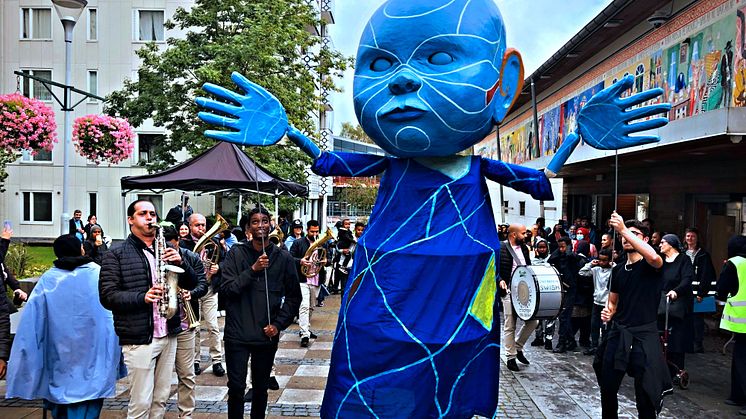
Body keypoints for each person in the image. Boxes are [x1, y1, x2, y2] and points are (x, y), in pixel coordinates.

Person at [99, 199, 198, 419]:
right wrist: (142, 297)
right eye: (143, 214)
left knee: (160, 398)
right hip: (138, 337)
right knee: (141, 401)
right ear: (130, 220)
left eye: (152, 214)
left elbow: (191, 283)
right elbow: (108, 296)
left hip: (168, 332)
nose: (150, 218)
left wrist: (182, 262)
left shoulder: (167, 249)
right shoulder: (115, 254)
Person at [6, 234, 124, 418]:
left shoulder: (49, 280)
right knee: (90, 397)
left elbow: (32, 321)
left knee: (62, 401)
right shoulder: (97, 274)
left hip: (59, 354)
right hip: (94, 353)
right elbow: (111, 313)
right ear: (81, 249)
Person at [221, 207, 301, 419]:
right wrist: (253, 270)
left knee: (260, 388)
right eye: (255, 222)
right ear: (248, 228)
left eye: (265, 221)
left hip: (266, 334)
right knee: (236, 388)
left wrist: (278, 324)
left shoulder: (283, 258)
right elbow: (227, 290)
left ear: (271, 224)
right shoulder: (236, 254)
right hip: (237, 334)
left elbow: (294, 297)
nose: (261, 226)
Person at [595, 212, 672, 419]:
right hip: (619, 333)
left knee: (645, 394)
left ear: (644, 240)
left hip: (644, 336)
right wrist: (608, 311)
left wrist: (622, 229)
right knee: (607, 386)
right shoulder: (618, 270)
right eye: (624, 235)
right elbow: (612, 301)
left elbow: (655, 257)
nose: (626, 238)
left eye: (634, 234)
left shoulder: (652, 265)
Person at [163, 224, 208, 418]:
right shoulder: (153, 257)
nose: (167, 251)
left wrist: (191, 293)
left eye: (170, 247)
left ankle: (186, 414)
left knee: (187, 375)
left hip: (184, 322)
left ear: (178, 242)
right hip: (161, 325)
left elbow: (202, 284)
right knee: (161, 379)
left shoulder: (191, 257)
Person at [181, 213, 226, 377]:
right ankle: (195, 361)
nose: (201, 228)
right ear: (190, 226)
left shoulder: (213, 243)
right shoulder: (183, 244)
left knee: (213, 326)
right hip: (192, 290)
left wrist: (218, 268)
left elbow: (224, 260)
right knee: (195, 327)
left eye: (203, 225)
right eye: (197, 225)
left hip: (209, 289)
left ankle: (217, 361)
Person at [499, 224, 536, 371]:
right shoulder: (501, 248)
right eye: (523, 233)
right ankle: (511, 357)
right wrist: (499, 280)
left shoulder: (525, 249)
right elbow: (493, 267)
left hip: (524, 291)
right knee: (510, 324)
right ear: (514, 235)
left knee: (534, 322)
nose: (526, 234)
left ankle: (518, 347)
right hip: (508, 291)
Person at [657, 233, 694, 384]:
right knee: (660, 336)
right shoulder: (660, 261)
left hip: (677, 303)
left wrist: (676, 291)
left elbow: (687, 279)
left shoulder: (683, 260)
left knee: (676, 338)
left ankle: (676, 371)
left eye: (663, 242)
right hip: (661, 303)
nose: (660, 245)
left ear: (671, 244)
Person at [717, 235, 746, 414]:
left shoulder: (734, 263)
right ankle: (737, 395)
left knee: (741, 360)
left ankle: (740, 396)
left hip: (742, 321)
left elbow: (721, 289)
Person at [289, 220, 322, 347]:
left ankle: (306, 328)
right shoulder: (298, 243)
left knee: (311, 306)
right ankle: (304, 334)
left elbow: (328, 258)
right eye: (312, 231)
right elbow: (290, 257)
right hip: (302, 279)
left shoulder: (321, 243)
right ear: (307, 230)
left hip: (316, 278)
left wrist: (325, 260)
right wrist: (300, 261)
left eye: (316, 231)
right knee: (303, 306)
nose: (314, 234)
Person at [684, 227, 716, 353]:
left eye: (692, 236)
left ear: (697, 238)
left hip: (699, 293)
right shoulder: (682, 253)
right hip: (686, 292)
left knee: (697, 319)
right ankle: (688, 342)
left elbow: (707, 275)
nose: (690, 238)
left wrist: (702, 292)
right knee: (686, 318)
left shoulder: (703, 255)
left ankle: (698, 343)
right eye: (688, 236)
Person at [578, 248, 615, 355]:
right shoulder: (596, 270)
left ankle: (604, 347)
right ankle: (594, 346)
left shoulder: (613, 271)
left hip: (607, 303)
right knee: (594, 325)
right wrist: (591, 264)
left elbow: (619, 272)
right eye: (600, 260)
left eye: (605, 260)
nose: (602, 262)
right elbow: (582, 272)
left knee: (605, 327)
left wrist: (614, 265)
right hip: (596, 302)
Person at [550, 236, 583, 353]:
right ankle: (571, 340)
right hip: (561, 289)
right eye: (560, 247)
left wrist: (569, 250)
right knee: (563, 317)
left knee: (564, 316)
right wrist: (560, 250)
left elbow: (576, 259)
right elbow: (551, 259)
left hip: (571, 290)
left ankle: (562, 342)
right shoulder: (558, 256)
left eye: (563, 247)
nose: (561, 250)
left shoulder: (574, 257)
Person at [530, 238, 555, 350]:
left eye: (544, 247)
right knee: (538, 315)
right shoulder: (532, 260)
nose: (542, 249)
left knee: (550, 315)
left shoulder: (552, 258)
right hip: (537, 290)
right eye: (540, 247)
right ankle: (538, 337)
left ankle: (549, 339)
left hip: (550, 289)